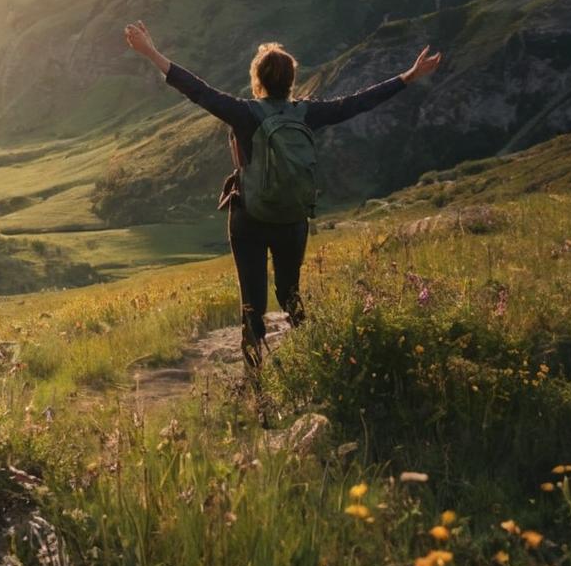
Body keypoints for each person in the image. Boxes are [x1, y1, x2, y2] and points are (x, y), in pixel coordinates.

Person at [123, 20, 442, 372]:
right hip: (292, 218)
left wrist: (151, 52)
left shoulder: (244, 113)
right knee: (291, 294)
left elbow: (197, 90)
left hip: (249, 218)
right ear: (291, 81)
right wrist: (408, 76)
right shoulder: (307, 113)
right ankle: (319, 361)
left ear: (257, 80)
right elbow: (358, 102)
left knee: (252, 304)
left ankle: (255, 381)